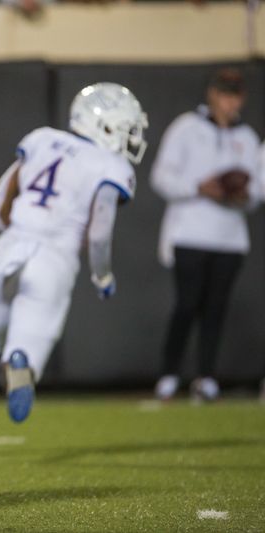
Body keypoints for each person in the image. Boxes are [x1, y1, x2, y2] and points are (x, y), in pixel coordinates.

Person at [0, 83, 148, 455]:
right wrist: (102, 275)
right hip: (53, 258)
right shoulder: (111, 166)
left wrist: (20, 234)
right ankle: (21, 362)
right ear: (103, 126)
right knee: (26, 357)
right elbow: (98, 233)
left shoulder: (42, 141)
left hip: (10, 246)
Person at [152, 68, 261, 402]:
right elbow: (161, 177)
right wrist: (199, 187)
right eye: (224, 93)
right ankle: (170, 373)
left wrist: (243, 195)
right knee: (187, 305)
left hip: (230, 238)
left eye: (235, 94)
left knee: (216, 308)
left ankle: (206, 376)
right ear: (212, 94)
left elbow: (257, 190)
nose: (230, 101)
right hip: (189, 232)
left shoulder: (249, 137)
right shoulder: (187, 128)